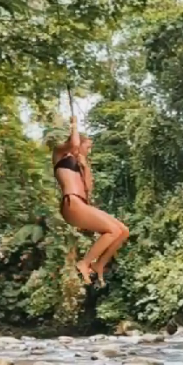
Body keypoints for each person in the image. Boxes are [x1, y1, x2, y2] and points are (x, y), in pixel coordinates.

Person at [52, 114, 129, 286]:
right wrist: (74, 125)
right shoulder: (59, 154)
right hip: (71, 204)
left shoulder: (80, 164)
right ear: (81, 143)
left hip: (81, 203)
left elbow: (88, 189)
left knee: (123, 231)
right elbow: (73, 144)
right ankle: (84, 263)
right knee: (112, 231)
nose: (89, 150)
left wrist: (85, 165)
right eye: (88, 147)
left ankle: (99, 264)